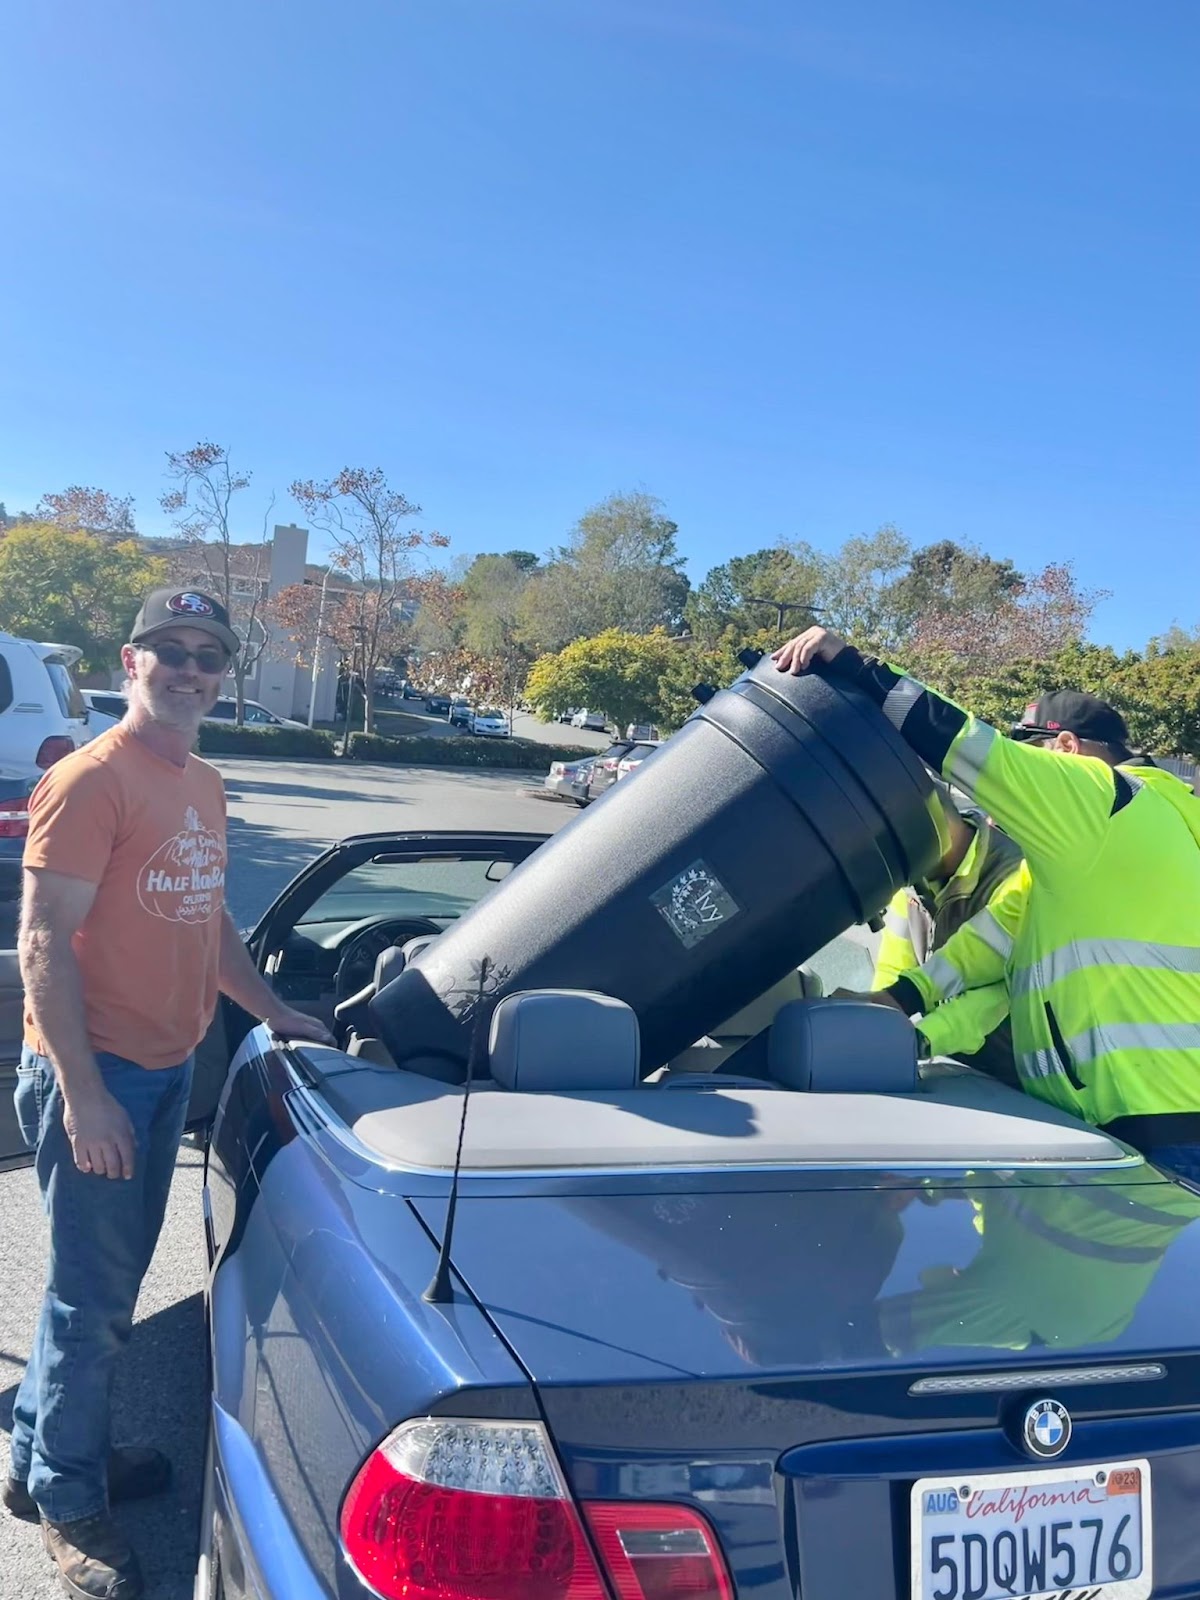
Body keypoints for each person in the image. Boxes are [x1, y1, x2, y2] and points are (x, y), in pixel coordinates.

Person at [4, 588, 332, 1600]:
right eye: (172, 651)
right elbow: (44, 941)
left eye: (210, 656)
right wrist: (84, 1094)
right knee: (92, 1303)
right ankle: (71, 1501)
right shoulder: (93, 779)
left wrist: (273, 1007)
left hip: (163, 1069)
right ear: (129, 659)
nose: (191, 669)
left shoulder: (201, 784)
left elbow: (206, 917)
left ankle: (38, 1456)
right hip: (97, 1075)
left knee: (99, 1292)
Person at [774, 633, 1200, 1180]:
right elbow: (997, 938)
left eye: (1034, 751)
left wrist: (859, 670)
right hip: (1148, 1122)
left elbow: (975, 750)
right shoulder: (1131, 833)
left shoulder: (1100, 799)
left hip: (1153, 1133)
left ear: (1065, 750)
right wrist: (899, 998)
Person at [868, 784, 1023, 1084]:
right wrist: (867, 1017)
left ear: (937, 828)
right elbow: (892, 972)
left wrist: (920, 1039)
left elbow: (1002, 997)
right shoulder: (915, 881)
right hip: (952, 1069)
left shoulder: (1014, 878)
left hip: (1018, 1084)